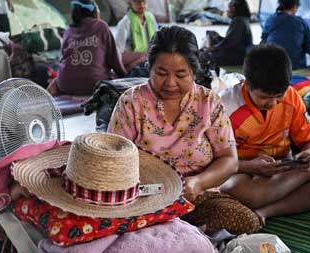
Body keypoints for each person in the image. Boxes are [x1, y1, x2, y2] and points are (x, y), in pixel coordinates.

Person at [108, 26, 261, 234]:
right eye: (161, 73)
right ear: (149, 68)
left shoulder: (209, 102)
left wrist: (197, 183)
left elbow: (229, 160)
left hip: (198, 198)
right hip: (144, 201)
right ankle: (180, 237)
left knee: (245, 221)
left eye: (181, 75)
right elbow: (113, 160)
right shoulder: (131, 102)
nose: (170, 83)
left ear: (194, 72)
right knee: (118, 228)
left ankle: (176, 237)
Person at [219, 44, 310, 223]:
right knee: (236, 190)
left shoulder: (291, 97)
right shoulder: (226, 106)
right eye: (264, 97)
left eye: (278, 96)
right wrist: (250, 166)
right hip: (243, 173)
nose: (273, 103)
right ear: (247, 84)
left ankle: (266, 211)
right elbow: (215, 160)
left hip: (284, 171)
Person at [47, 0, 126, 96]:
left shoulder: (68, 32)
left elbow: (63, 60)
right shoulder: (101, 26)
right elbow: (114, 60)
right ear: (94, 11)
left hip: (65, 85)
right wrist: (125, 77)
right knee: (113, 77)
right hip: (94, 84)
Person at [261, 0, 310, 69]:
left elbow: (263, 41)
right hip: (295, 66)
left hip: (271, 66)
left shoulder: (270, 20)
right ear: (295, 6)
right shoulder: (301, 22)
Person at [204, 0, 253, 66]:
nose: (227, 10)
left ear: (234, 9)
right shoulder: (243, 19)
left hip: (237, 55)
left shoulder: (239, 21)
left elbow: (230, 42)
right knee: (212, 34)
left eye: (229, 8)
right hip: (238, 51)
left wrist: (214, 48)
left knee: (205, 56)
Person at [114, 0, 158, 71]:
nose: (141, 4)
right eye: (137, 1)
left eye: (144, 1)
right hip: (131, 60)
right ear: (130, 2)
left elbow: (157, 40)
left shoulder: (150, 17)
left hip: (146, 59)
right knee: (149, 55)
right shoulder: (125, 22)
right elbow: (118, 52)